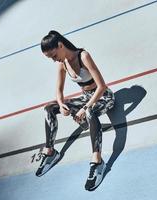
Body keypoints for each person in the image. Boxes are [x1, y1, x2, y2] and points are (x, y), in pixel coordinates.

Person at [35, 30, 115, 191]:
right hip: (86, 98)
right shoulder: (61, 64)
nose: (53, 60)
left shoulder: (83, 56)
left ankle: (97, 161)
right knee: (48, 109)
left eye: (53, 55)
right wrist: (61, 103)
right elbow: (59, 91)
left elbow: (102, 86)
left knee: (89, 111)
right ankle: (50, 152)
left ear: (60, 45)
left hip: (104, 97)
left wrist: (85, 108)